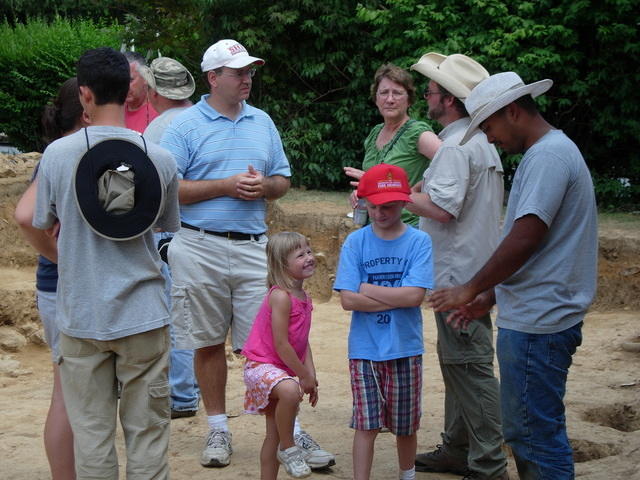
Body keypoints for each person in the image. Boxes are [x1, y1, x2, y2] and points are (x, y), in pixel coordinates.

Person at [161, 39, 335, 470]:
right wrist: (225, 185)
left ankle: (289, 434)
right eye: (238, 72)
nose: (247, 78)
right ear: (213, 78)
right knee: (206, 342)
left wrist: (266, 187)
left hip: (255, 248)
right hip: (198, 244)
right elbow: (170, 189)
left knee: (269, 346)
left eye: (250, 72)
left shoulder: (263, 122)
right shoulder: (183, 127)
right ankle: (218, 427)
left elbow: (282, 180)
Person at [429, 71, 598, 480]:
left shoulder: (547, 158)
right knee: (531, 431)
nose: (489, 138)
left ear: (513, 111)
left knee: (533, 435)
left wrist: (472, 287)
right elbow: (540, 249)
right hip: (538, 316)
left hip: (540, 324)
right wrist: (489, 298)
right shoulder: (548, 154)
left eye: (489, 126)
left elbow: (526, 237)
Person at [32, 47, 180, 479]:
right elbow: (164, 226)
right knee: (148, 437)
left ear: (84, 95)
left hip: (82, 315)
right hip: (144, 314)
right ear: (130, 91)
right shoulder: (162, 158)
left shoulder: (57, 157)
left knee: (92, 438)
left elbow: (41, 221)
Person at [406, 53, 508, 480]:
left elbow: (443, 210)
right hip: (473, 272)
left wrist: (394, 193)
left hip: (457, 276)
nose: (426, 97)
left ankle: (488, 462)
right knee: (459, 364)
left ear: (448, 100)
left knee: (468, 366)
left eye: (430, 92)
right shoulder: (478, 142)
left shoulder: (455, 146)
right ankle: (458, 446)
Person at [334, 163, 434, 480]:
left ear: (405, 202)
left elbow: (414, 298)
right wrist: (395, 293)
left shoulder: (419, 242)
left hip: (404, 347)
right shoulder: (356, 242)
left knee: (405, 424)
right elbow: (348, 300)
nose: (379, 213)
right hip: (365, 349)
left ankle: (408, 474)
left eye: (388, 206)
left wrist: (366, 287)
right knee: (366, 423)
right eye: (373, 206)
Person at [14, 77, 87, 480]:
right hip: (64, 288)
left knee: (70, 394)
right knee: (68, 396)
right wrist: (61, 258)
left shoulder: (63, 154)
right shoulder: (62, 155)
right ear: (87, 106)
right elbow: (25, 217)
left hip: (61, 287)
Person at [141, 56, 200, 418]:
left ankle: (182, 394)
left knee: (176, 318)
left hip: (169, 237)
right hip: (210, 236)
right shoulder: (207, 118)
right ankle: (190, 390)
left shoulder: (157, 130)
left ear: (153, 91)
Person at [242, 232, 319, 479]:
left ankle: (278, 452)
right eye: (300, 255)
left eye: (309, 251)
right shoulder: (280, 296)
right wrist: (302, 376)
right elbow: (282, 344)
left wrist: (311, 376)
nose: (309, 257)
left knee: (272, 435)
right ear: (282, 264)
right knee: (289, 391)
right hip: (259, 366)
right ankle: (290, 448)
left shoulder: (304, 298)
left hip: (279, 371)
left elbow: (302, 341)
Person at [344, 63, 441, 226]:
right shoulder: (376, 132)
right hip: (375, 226)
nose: (389, 99)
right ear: (376, 99)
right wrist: (362, 192)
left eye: (397, 93)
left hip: (407, 227)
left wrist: (418, 189)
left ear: (409, 100)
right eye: (383, 93)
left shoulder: (418, 133)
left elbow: (451, 164)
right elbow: (373, 184)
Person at [124, 51, 159, 133]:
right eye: (120, 80)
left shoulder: (159, 113)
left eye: (130, 80)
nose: (124, 86)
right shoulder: (114, 110)